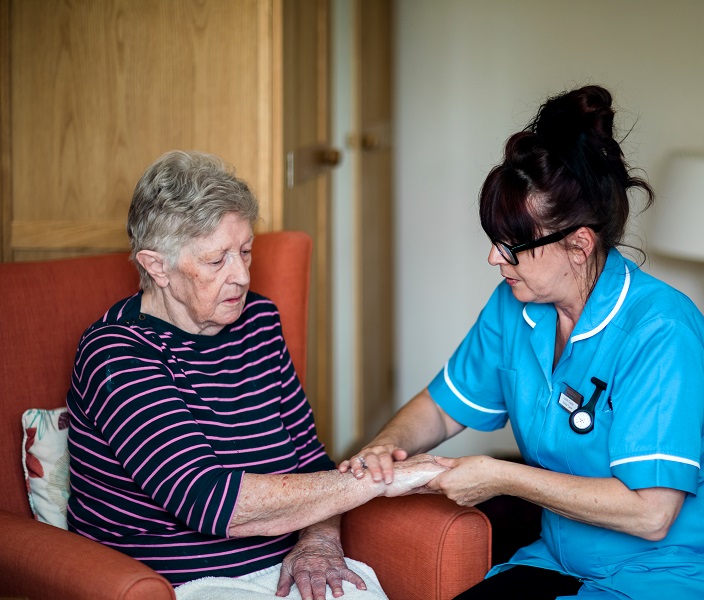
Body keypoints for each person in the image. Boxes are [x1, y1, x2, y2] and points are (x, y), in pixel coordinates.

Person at [339, 85, 704, 599]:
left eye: (511, 246)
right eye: (492, 241)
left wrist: (502, 477)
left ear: (579, 245)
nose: (495, 260)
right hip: (565, 559)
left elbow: (651, 512)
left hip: (679, 572)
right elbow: (443, 406)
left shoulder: (660, 331)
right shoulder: (515, 306)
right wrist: (387, 446)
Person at [66, 150, 444, 600]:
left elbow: (310, 458)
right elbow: (206, 499)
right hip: (176, 584)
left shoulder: (258, 320)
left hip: (283, 566)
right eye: (216, 260)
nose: (242, 275)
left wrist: (318, 541)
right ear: (156, 266)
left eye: (245, 251)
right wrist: (381, 479)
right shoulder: (118, 353)